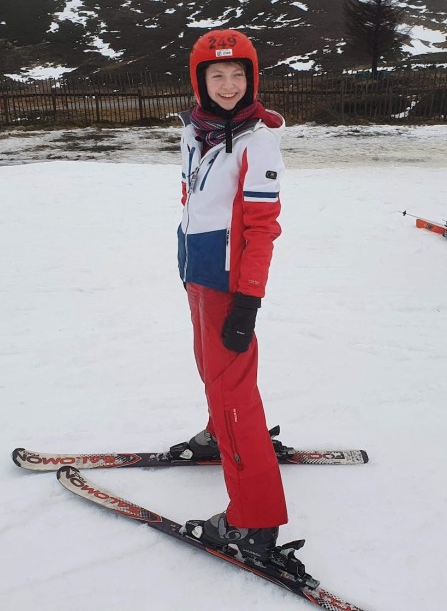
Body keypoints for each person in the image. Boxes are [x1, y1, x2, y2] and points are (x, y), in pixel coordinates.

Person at [172, 29, 291, 560]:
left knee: (234, 394)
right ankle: (222, 435)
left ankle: (254, 521)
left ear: (251, 79)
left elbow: (262, 228)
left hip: (230, 287)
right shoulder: (195, 133)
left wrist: (248, 301)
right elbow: (192, 199)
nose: (227, 84)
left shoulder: (256, 143)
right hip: (199, 276)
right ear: (201, 81)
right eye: (216, 75)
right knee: (209, 370)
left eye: (237, 75)